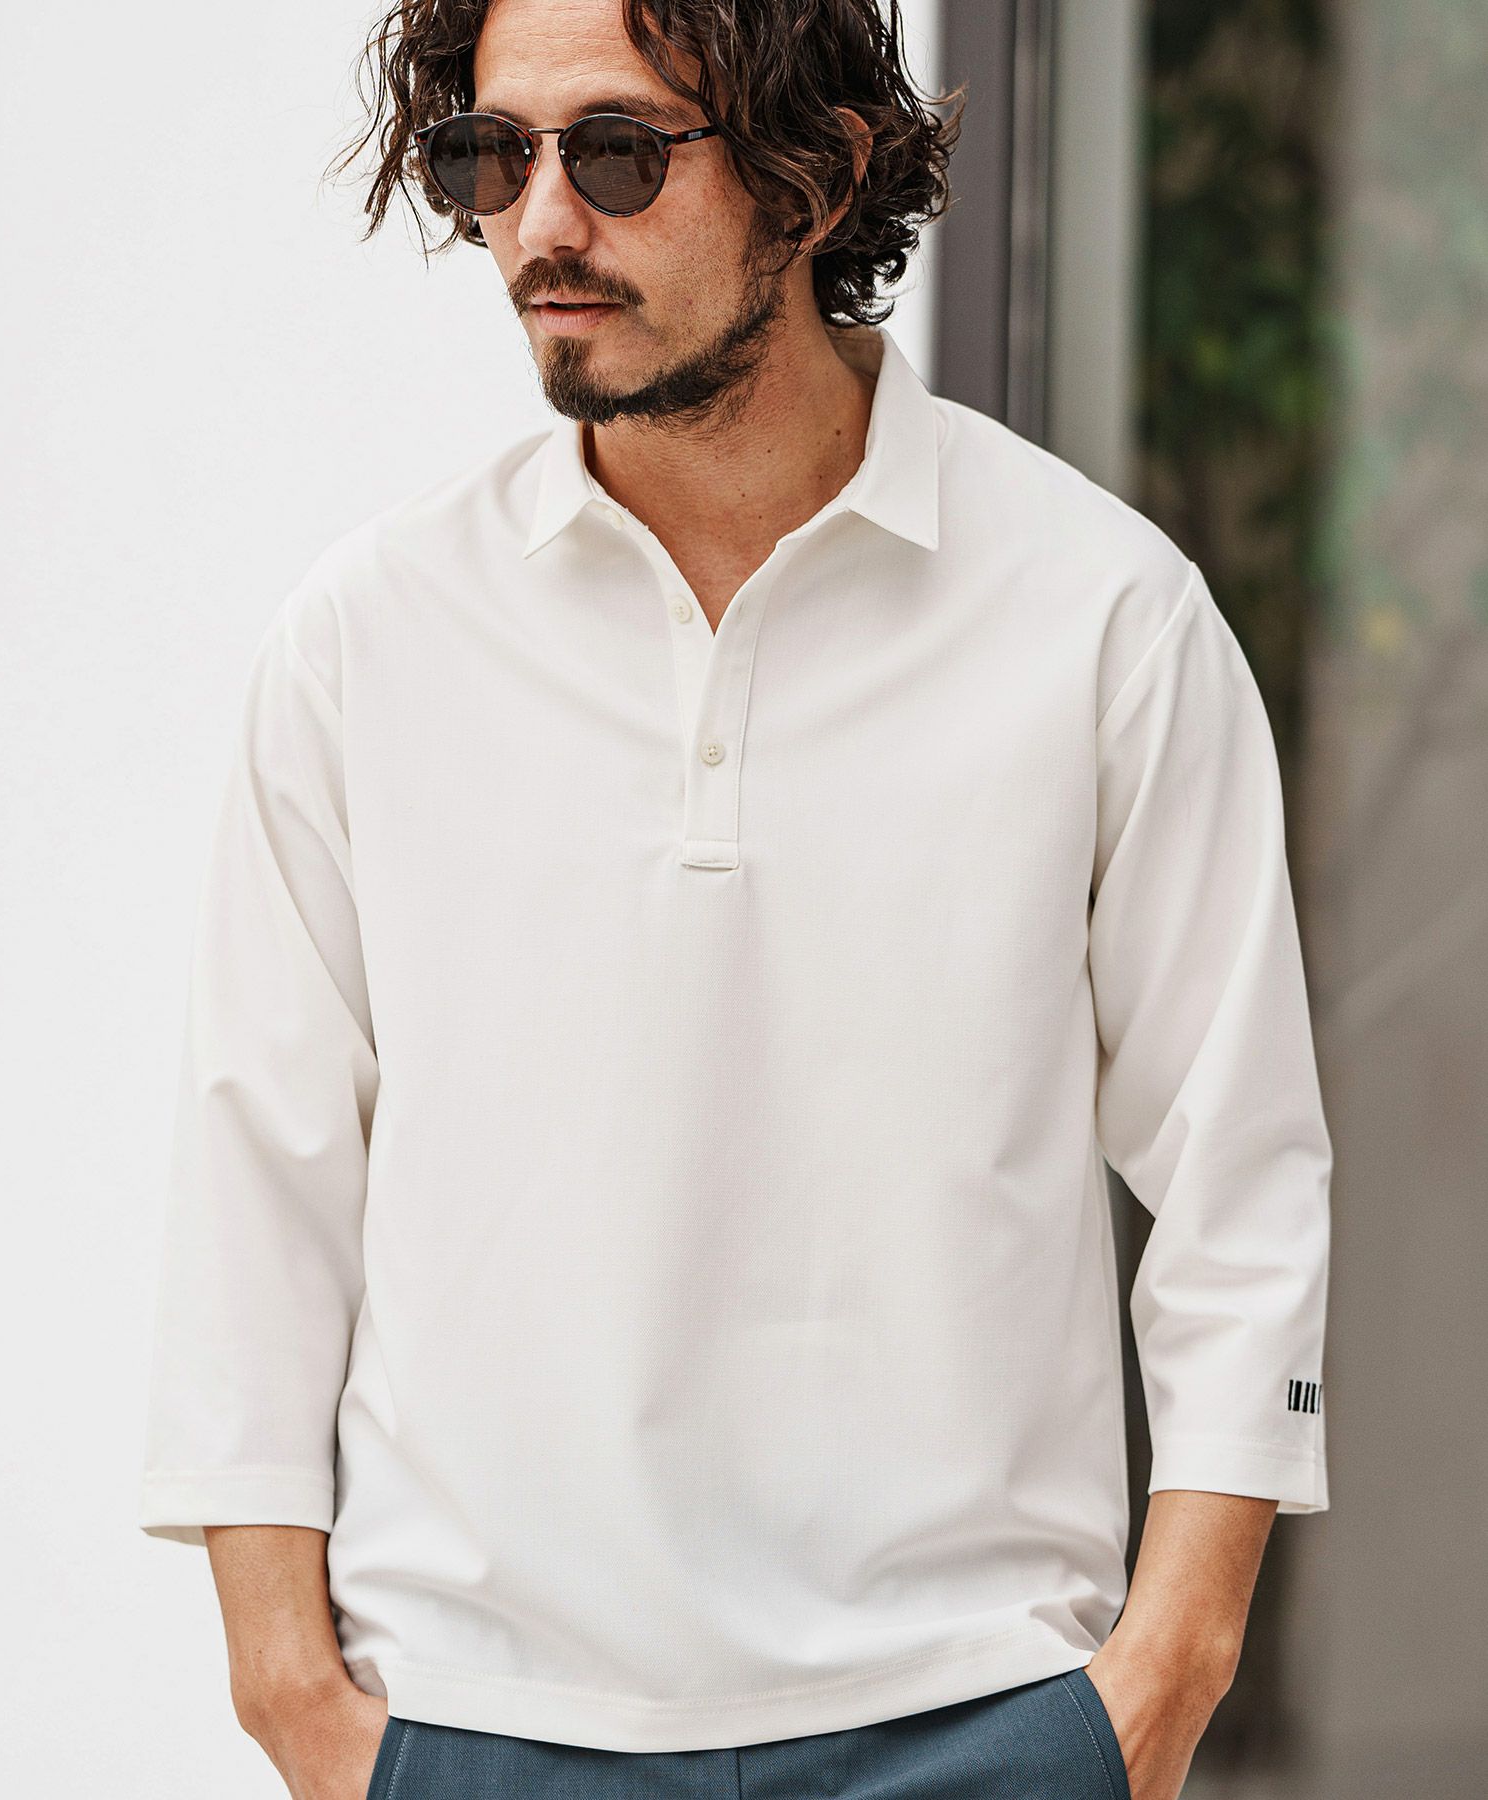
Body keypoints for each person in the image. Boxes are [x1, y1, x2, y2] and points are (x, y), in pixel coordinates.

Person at [137, 2, 1333, 1796]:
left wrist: (1166, 1672)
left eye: (619, 152)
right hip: (481, 1727)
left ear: (816, 174)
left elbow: (1242, 1173)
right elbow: (260, 1183)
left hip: (979, 1717)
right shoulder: (367, 640)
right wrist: (294, 1698)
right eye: (492, 156)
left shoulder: (1102, 617)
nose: (543, 225)